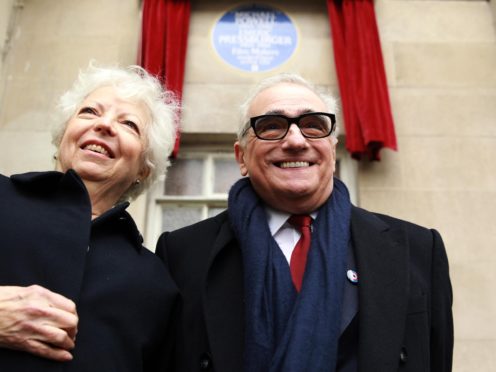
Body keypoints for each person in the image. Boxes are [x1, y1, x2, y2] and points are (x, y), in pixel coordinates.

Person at [156, 73, 453, 372]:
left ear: (332, 150)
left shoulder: (417, 249)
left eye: (313, 126)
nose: (296, 141)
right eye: (271, 127)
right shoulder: (181, 254)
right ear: (241, 156)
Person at [0, 63, 178, 371]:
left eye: (129, 124)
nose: (105, 125)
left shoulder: (156, 282)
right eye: (90, 112)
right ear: (63, 135)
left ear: (144, 168)